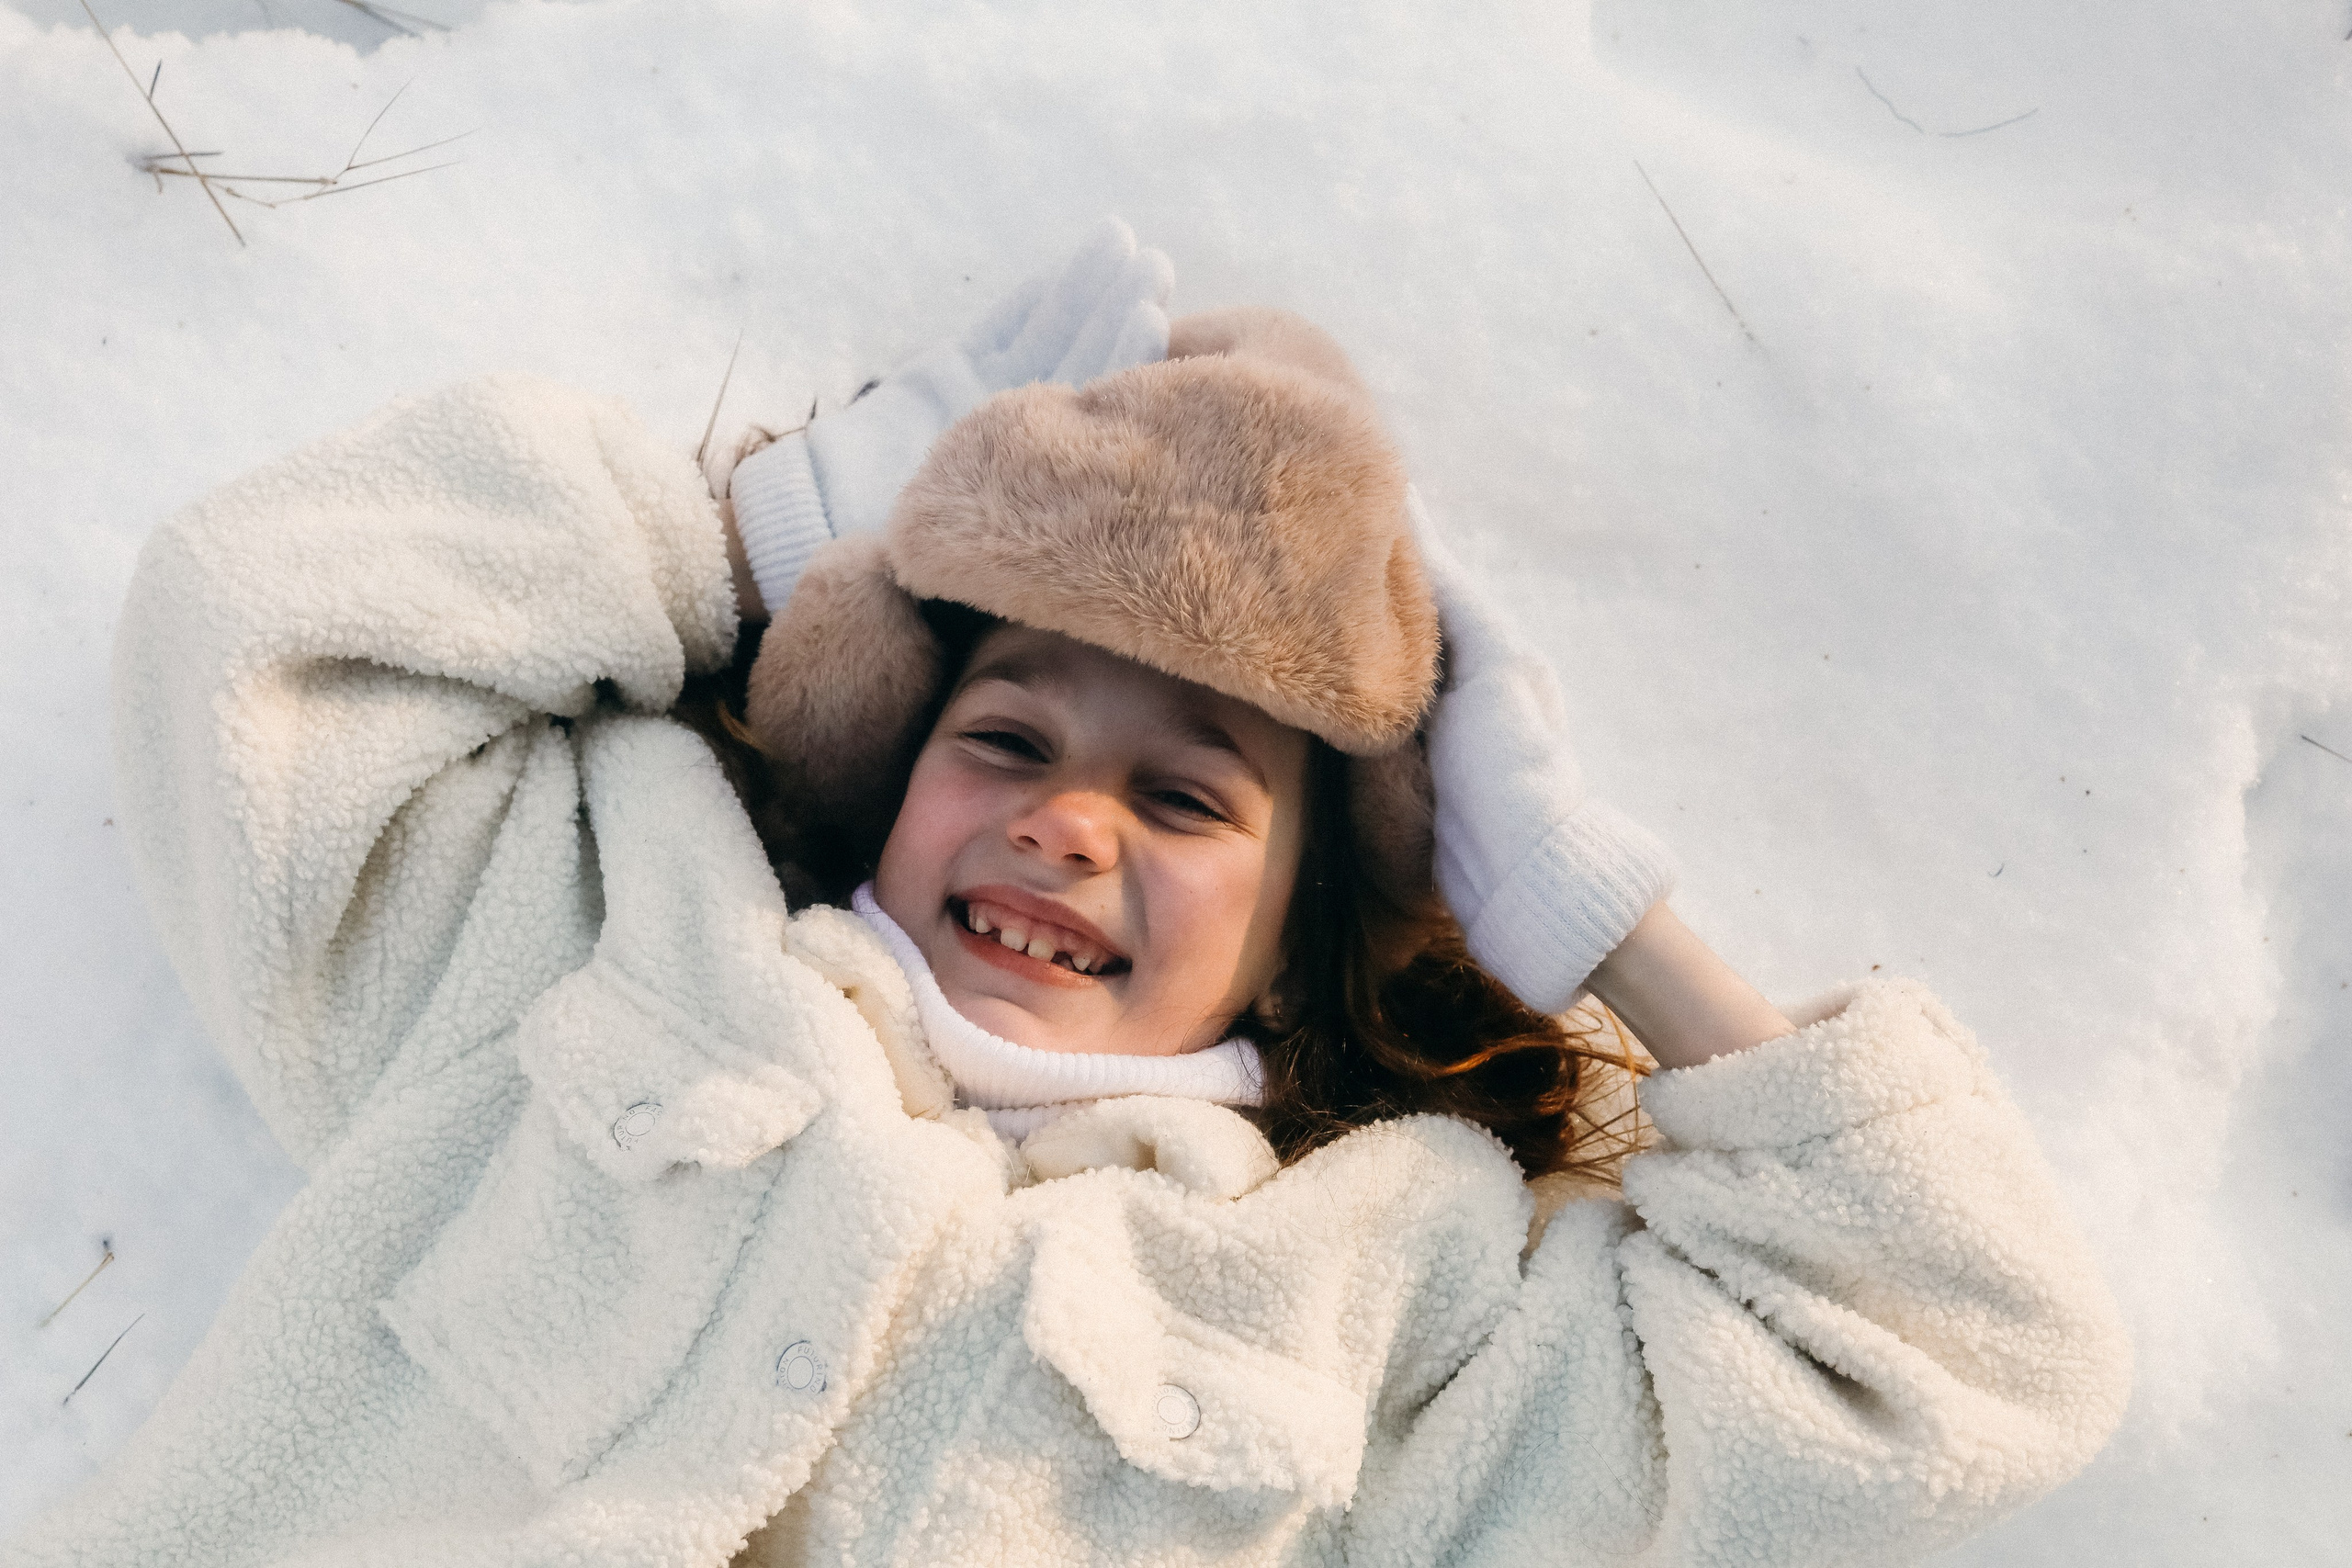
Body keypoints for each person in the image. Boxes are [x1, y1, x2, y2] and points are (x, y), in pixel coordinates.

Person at [6, 222, 2130, 1568]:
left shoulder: (1384, 1290)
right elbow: (261, 629)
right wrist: (792, 527)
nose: (1066, 823)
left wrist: (1578, 913)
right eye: (1003, 735)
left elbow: (1957, 1364)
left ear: (1302, 932)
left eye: (1186, 796)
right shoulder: (609, 937)